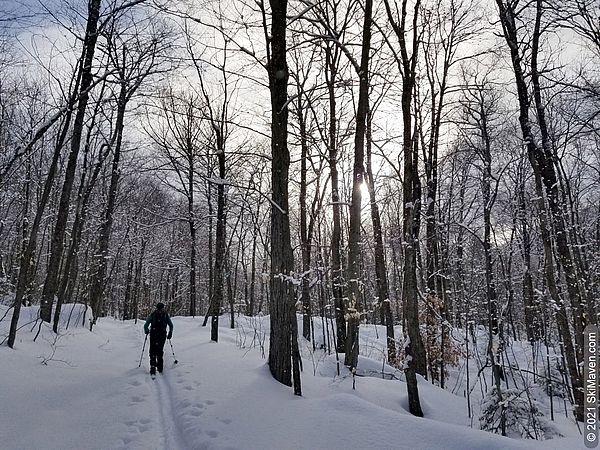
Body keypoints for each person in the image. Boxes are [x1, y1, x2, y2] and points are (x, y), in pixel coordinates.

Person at [144, 302, 173, 375]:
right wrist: (170, 332)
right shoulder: (164, 315)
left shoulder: (154, 314)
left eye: (160, 309)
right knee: (158, 350)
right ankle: (158, 367)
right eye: (160, 309)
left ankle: (154, 366)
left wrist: (146, 330)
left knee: (154, 350)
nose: (160, 310)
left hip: (155, 334)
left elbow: (146, 325)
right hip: (161, 334)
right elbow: (171, 325)